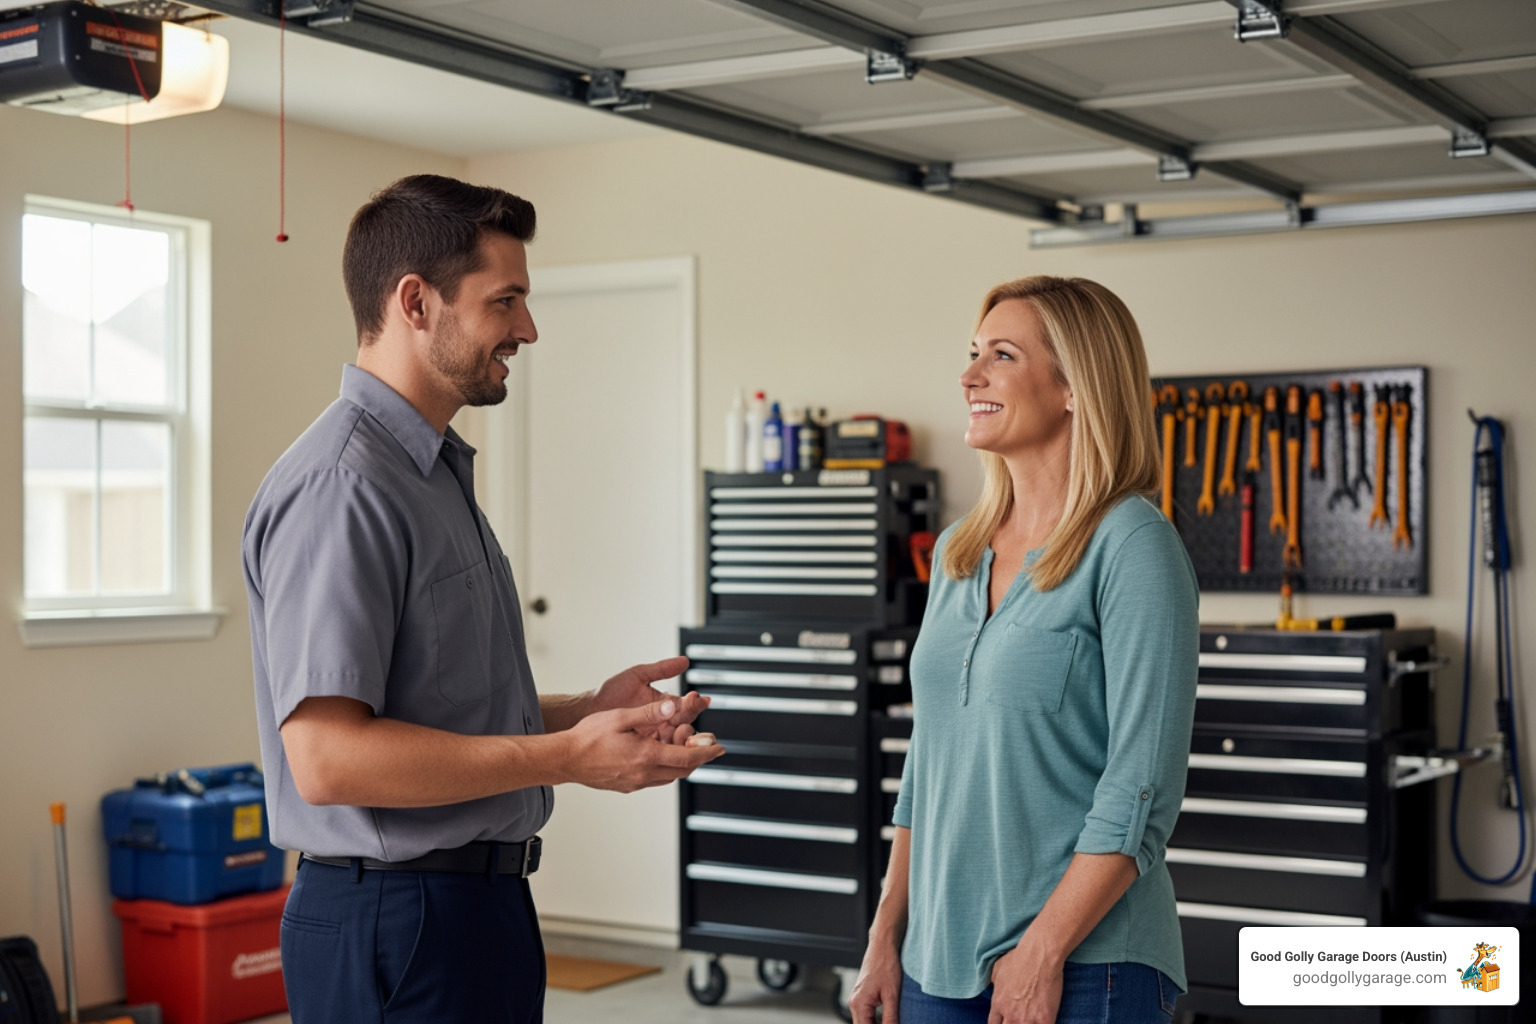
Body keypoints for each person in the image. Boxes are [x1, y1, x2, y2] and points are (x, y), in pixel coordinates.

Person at [241, 174, 724, 1023]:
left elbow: (436, 709)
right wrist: (563, 757)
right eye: (505, 301)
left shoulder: (429, 474)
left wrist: (583, 714)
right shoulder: (342, 487)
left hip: (473, 911)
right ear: (416, 303)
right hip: (397, 918)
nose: (527, 329)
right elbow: (328, 759)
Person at [849, 276, 1199, 1024]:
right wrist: (885, 935)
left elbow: (1141, 787)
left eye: (1001, 356)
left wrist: (1043, 952)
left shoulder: (1134, 546)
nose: (969, 375)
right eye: (972, 352)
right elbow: (928, 765)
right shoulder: (958, 551)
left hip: (1084, 964)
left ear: (1075, 387)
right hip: (936, 959)